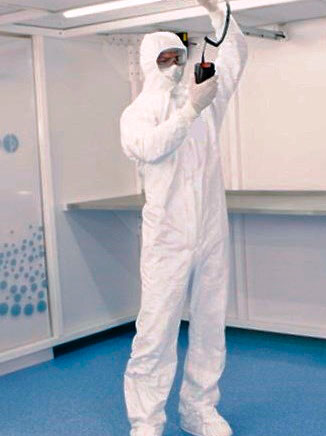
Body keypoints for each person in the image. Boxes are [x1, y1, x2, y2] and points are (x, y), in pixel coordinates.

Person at [119, 0, 247, 434]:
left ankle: (199, 409)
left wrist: (219, 13)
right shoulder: (138, 113)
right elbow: (151, 146)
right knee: (155, 330)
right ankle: (146, 420)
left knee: (211, 323)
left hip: (210, 229)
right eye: (164, 59)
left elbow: (233, 56)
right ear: (147, 63)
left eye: (178, 56)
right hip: (168, 237)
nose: (173, 65)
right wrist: (190, 108)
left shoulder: (205, 100)